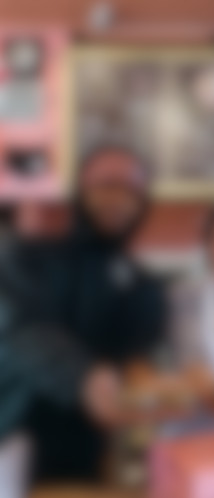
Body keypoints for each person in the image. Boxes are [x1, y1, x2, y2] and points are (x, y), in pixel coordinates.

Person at [0, 145, 167, 480]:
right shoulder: (27, 257)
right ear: (80, 192)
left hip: (94, 459)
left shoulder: (143, 283)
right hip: (18, 442)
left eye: (129, 190)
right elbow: (19, 328)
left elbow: (138, 358)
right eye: (106, 185)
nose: (117, 199)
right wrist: (82, 377)